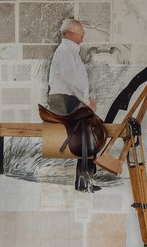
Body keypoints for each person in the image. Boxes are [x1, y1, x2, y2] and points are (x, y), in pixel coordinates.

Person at [47, 18, 100, 192]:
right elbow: (72, 81)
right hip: (65, 99)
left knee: (91, 130)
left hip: (68, 98)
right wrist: (87, 101)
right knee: (91, 129)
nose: (83, 35)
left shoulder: (69, 51)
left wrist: (85, 100)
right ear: (70, 33)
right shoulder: (65, 51)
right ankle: (85, 179)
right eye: (81, 32)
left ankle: (85, 178)